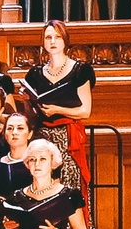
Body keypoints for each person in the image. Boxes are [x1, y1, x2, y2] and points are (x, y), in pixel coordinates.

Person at [20, 19, 97, 190]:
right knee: (43, 184)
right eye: (48, 37)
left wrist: (56, 109)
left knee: (69, 185)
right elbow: (31, 116)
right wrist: (27, 100)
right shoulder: (35, 74)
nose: (53, 42)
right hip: (42, 137)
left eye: (57, 37)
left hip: (68, 138)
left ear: (65, 40)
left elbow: (85, 111)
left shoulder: (80, 70)